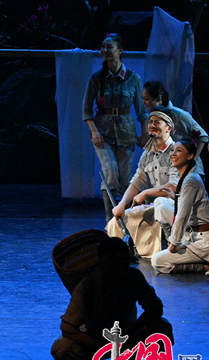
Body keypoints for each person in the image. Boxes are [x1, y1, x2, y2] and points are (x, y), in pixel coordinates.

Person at [51, 237, 174, 360]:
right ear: (102, 264)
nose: (120, 272)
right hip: (96, 340)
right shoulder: (87, 286)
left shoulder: (133, 277)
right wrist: (98, 344)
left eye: (123, 265)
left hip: (129, 338)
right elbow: (67, 329)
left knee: (162, 328)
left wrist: (130, 329)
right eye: (114, 266)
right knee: (61, 349)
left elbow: (155, 309)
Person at [83, 33, 147, 222]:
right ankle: (110, 221)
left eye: (109, 46)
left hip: (126, 132)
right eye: (103, 46)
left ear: (120, 51)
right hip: (103, 133)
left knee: (126, 179)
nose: (105, 50)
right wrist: (94, 130)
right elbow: (86, 108)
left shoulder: (133, 79)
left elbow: (141, 109)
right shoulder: (96, 78)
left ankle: (125, 222)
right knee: (110, 174)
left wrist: (145, 133)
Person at [107, 110, 179, 258]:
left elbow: (173, 186)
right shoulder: (147, 153)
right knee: (117, 221)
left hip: (172, 205)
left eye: (157, 122)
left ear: (169, 128)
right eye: (150, 121)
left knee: (156, 209)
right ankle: (119, 256)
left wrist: (146, 193)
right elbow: (138, 180)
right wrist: (122, 204)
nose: (152, 125)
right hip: (152, 206)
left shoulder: (176, 152)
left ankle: (151, 255)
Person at [151, 139, 209, 274]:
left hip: (203, 240)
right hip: (192, 233)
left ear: (190, 156)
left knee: (158, 261)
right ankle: (173, 241)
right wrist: (175, 196)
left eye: (179, 150)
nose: (173, 154)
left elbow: (182, 215)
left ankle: (203, 266)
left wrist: (174, 244)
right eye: (172, 150)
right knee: (160, 203)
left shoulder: (191, 181)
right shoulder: (187, 176)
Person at [142, 79, 207, 178]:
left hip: (189, 172)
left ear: (159, 98)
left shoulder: (179, 115)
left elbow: (203, 136)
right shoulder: (154, 118)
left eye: (147, 99)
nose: (144, 103)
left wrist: (191, 161)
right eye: (143, 99)